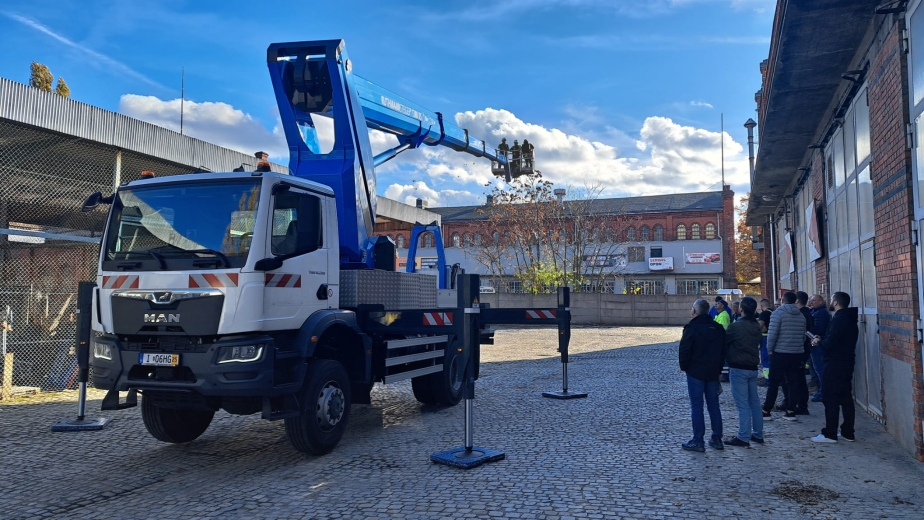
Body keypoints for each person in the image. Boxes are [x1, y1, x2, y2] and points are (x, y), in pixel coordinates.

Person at [679, 299, 726, 452]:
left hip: (695, 372)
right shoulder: (718, 328)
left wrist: (685, 367)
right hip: (712, 371)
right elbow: (722, 352)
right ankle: (717, 438)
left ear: (694, 311)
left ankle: (698, 440)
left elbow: (684, 351)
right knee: (714, 405)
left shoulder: (692, 328)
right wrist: (719, 370)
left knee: (697, 406)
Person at [810, 292, 859, 443]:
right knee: (845, 398)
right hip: (847, 362)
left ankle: (830, 433)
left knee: (830, 397)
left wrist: (819, 342)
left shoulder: (839, 319)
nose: (830, 302)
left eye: (832, 299)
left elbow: (832, 342)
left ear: (836, 302)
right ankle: (847, 432)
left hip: (835, 363)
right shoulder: (850, 318)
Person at [723, 297, 764, 447]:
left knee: (742, 404)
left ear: (741, 309)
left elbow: (724, 341)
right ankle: (758, 434)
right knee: (754, 402)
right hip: (752, 367)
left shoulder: (736, 326)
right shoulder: (756, 326)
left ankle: (743, 437)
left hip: (739, 367)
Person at [762, 291, 806, 421]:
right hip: (796, 353)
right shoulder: (801, 315)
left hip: (779, 353)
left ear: (783, 300)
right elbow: (803, 336)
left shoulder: (778, 314)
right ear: (795, 301)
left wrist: (770, 349)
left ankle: (766, 410)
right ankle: (791, 411)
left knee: (774, 383)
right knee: (793, 382)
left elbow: (772, 334)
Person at [808, 294, 831, 402]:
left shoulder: (820, 313)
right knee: (817, 369)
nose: (811, 302)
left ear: (821, 301)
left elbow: (818, 330)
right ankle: (821, 390)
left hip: (818, 345)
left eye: (814, 300)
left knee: (820, 369)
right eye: (810, 300)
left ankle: (823, 392)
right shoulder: (816, 312)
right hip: (816, 344)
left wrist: (810, 334)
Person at [793, 291, 813, 415]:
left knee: (799, 379)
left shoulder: (801, 314)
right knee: (799, 378)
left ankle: (802, 405)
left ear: (797, 301)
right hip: (803, 348)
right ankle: (800, 404)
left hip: (801, 349)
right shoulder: (807, 313)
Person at [757, 298, 773, 386]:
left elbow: (760, 326)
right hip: (773, 337)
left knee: (765, 359)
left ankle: (767, 379)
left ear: (761, 306)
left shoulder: (764, 314)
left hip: (765, 338)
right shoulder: (773, 312)